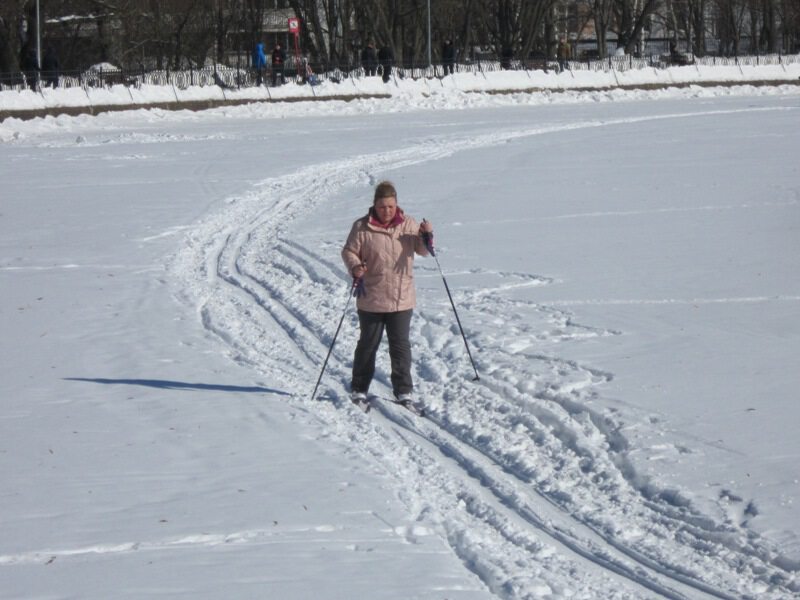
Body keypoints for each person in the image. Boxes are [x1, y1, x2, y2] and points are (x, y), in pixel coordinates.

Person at [341, 181, 433, 404]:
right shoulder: (362, 227)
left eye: (391, 206)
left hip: (401, 297)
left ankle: (404, 391)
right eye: (382, 207)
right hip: (372, 296)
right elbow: (349, 251)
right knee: (368, 344)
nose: (387, 211)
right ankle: (359, 388)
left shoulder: (408, 224)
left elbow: (423, 251)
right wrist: (355, 267)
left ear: (396, 204)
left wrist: (426, 235)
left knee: (400, 346)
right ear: (375, 205)